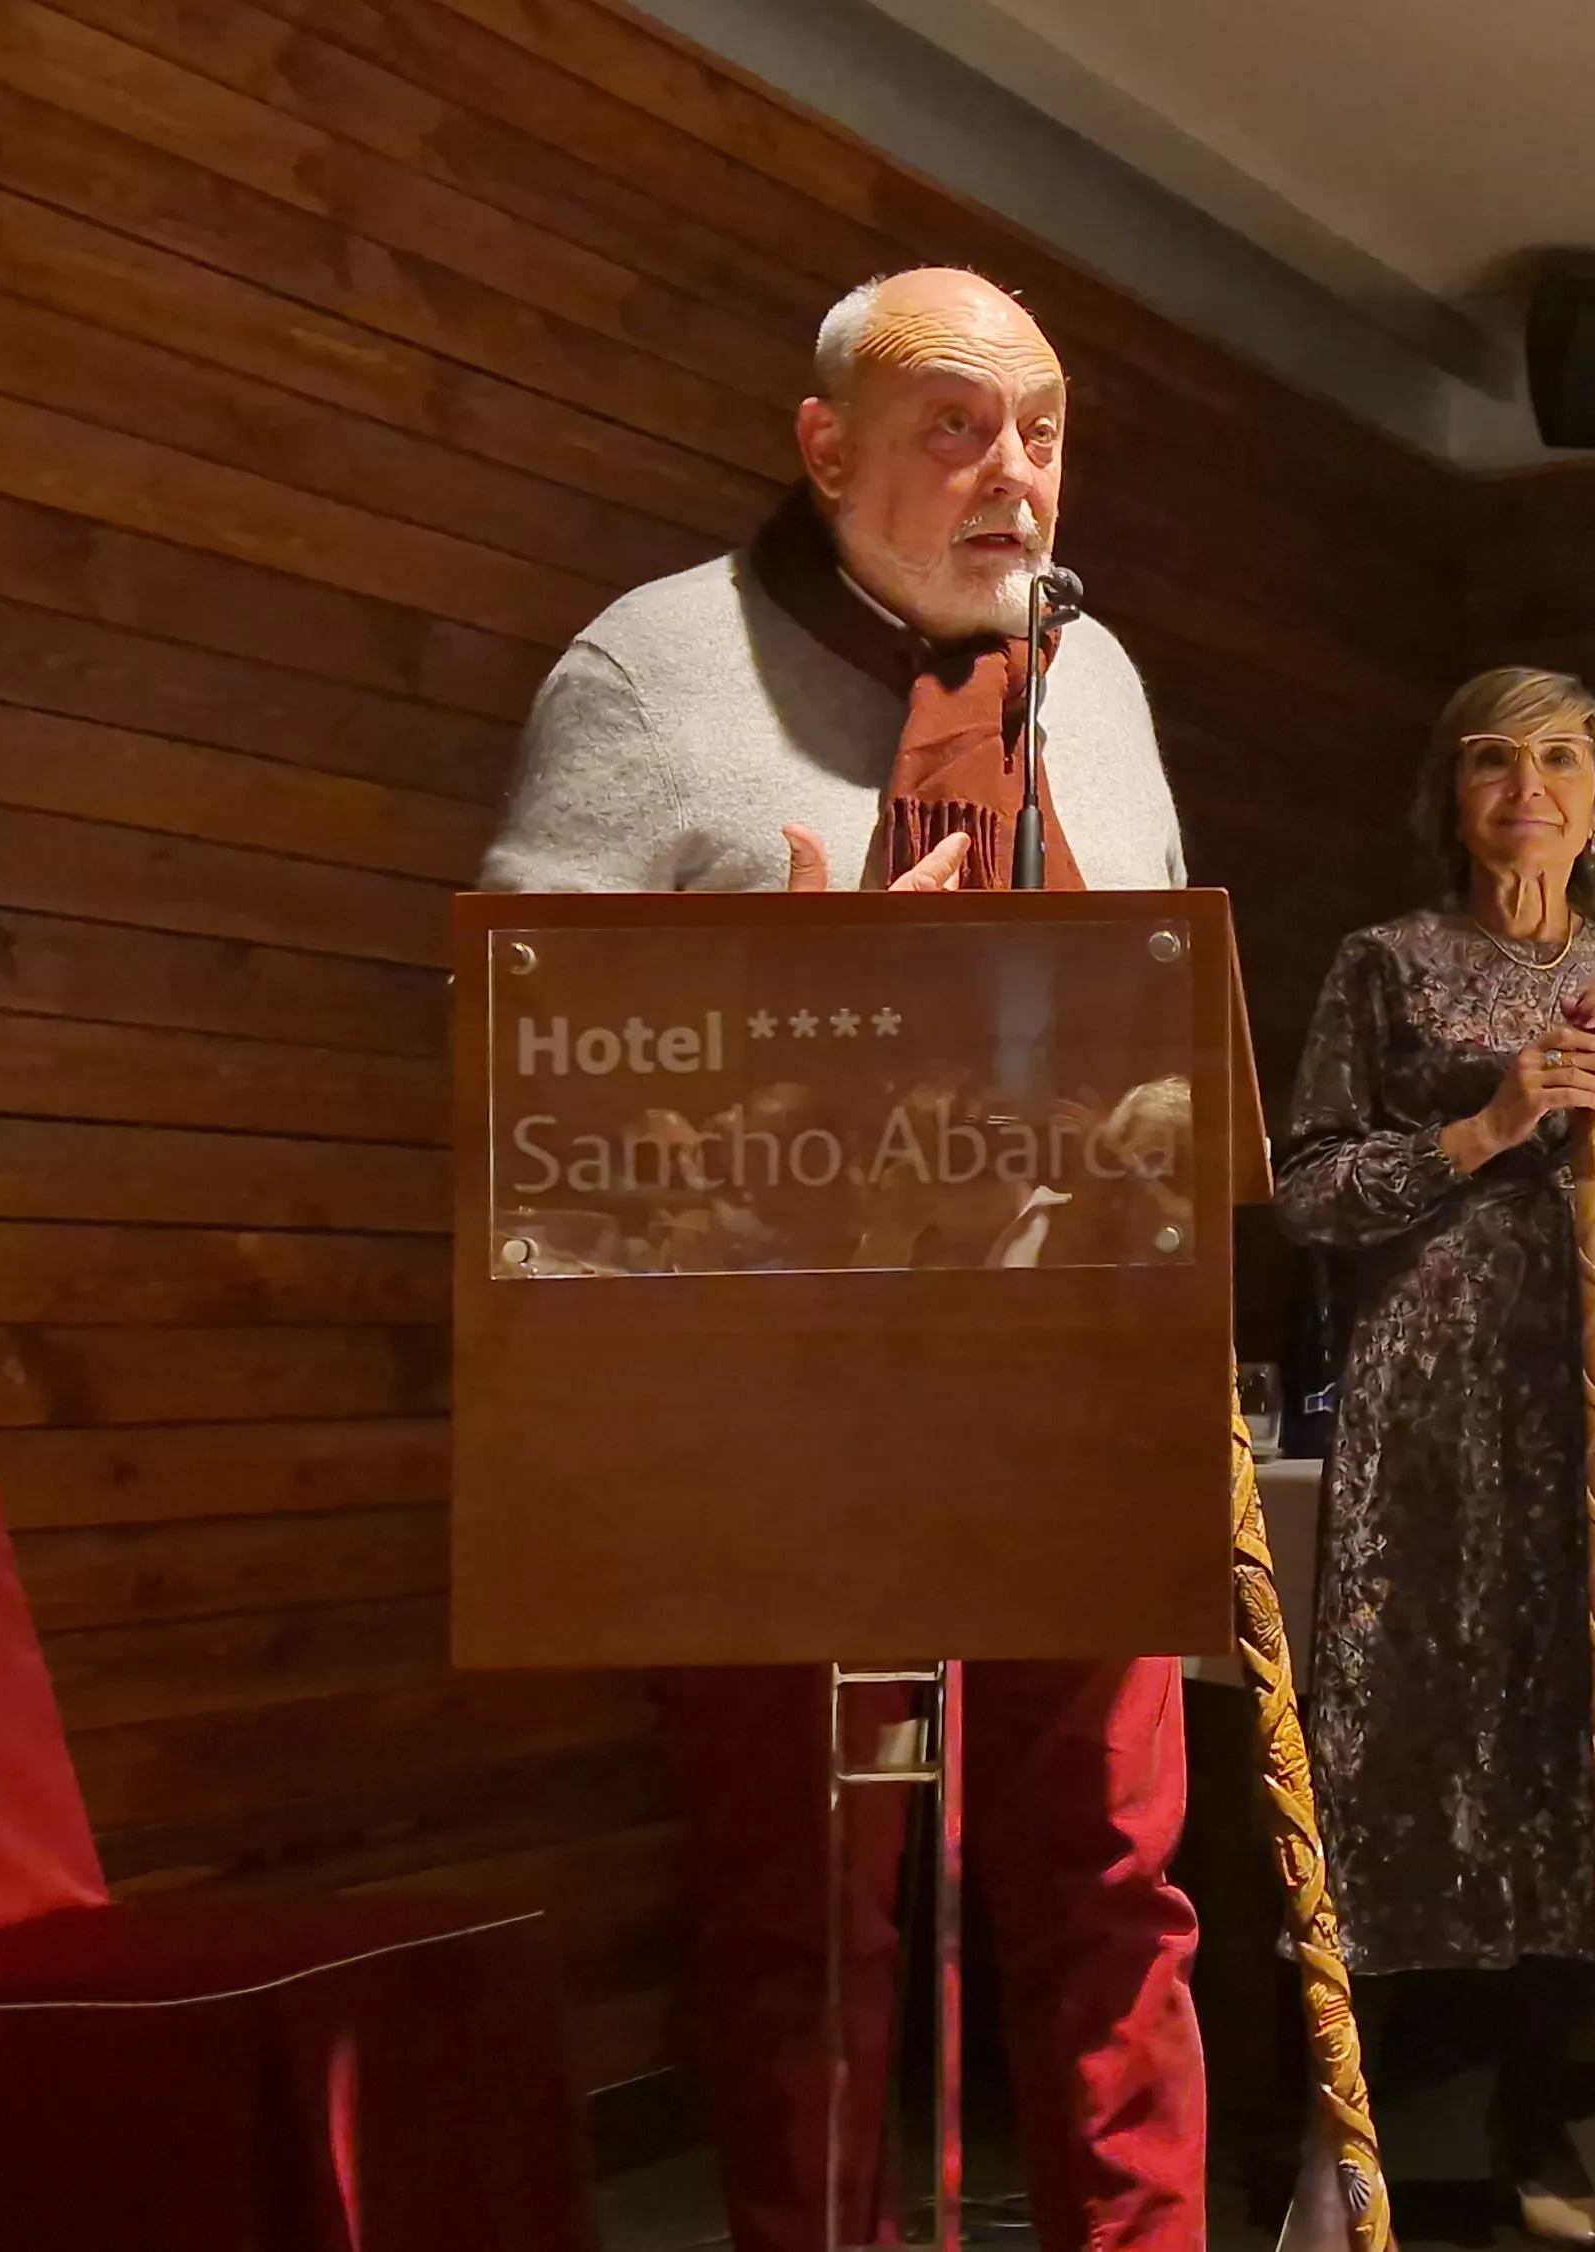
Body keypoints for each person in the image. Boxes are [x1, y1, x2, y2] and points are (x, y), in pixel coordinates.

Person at [478, 268, 1205, 2252]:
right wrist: (804, 1027)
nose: (1013, 476)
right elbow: (524, 1078)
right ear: (822, 447)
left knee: (1114, 1896)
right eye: (953, 426)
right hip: (769, 1415)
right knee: (806, 1915)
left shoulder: (1098, 683)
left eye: (1041, 429)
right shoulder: (654, 676)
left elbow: (1155, 1021)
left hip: (1066, 1386)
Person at [1274, 665, 1595, 2246]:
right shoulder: (1385, 966)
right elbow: (1311, 1196)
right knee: (1413, 1733)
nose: (1526, 788)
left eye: (1558, 759)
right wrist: (1483, 1128)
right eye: (1492, 760)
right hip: (1439, 1418)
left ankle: (1546, 2123)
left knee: (1579, 1733)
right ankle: (1344, 2128)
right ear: (1452, 792)